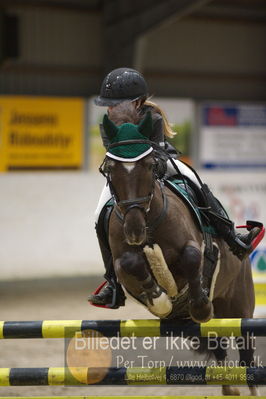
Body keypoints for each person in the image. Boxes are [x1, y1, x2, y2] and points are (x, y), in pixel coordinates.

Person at [88, 67, 261, 308]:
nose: (110, 108)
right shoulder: (107, 124)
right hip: (129, 177)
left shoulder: (153, 118)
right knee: (99, 216)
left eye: (115, 104)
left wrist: (145, 167)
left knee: (195, 181)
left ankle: (232, 236)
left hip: (159, 165)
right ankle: (113, 283)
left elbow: (157, 155)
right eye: (108, 104)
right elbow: (115, 158)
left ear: (136, 102)